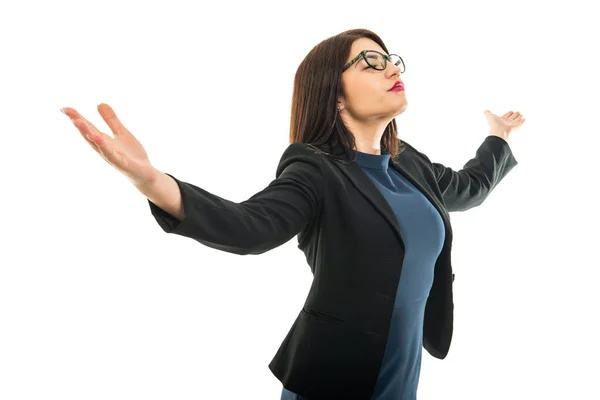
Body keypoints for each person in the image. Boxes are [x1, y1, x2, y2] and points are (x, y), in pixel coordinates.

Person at [62, 28, 524, 400]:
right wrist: (152, 181)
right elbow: (250, 227)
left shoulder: (410, 162)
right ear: (334, 94)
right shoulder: (315, 168)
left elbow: (469, 189)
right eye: (370, 61)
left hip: (398, 379)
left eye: (391, 60)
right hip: (331, 381)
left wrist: (498, 138)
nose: (389, 68)